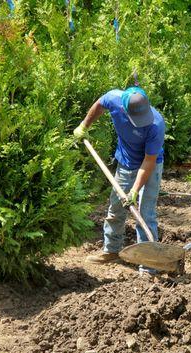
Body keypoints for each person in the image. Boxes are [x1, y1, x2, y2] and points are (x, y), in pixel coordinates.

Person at [73, 85, 165, 275]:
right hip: (125, 163)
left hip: (151, 166)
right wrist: (84, 125)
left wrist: (134, 191)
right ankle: (111, 251)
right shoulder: (114, 98)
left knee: (145, 214)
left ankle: (148, 265)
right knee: (115, 208)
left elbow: (148, 161)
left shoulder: (156, 124)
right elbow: (99, 104)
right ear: (124, 109)